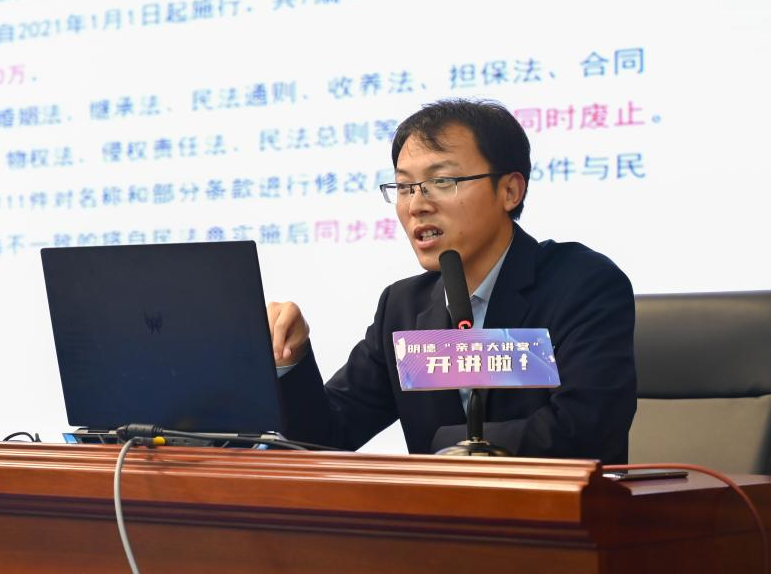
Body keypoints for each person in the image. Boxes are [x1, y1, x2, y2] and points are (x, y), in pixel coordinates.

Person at [267, 99, 636, 463]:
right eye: (405, 187)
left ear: (510, 191)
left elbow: (584, 430)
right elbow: (326, 437)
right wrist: (291, 360)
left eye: (441, 181)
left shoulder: (582, 286)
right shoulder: (402, 307)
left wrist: (446, 447)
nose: (416, 205)